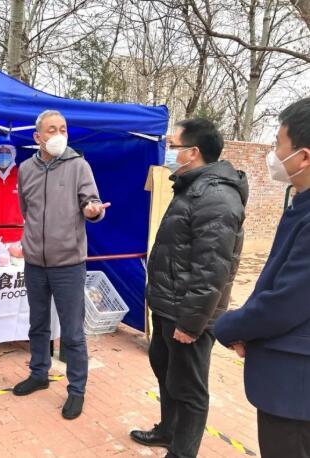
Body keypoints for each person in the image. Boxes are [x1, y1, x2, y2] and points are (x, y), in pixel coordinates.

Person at [130, 119, 248, 458]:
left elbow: (212, 269)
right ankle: (168, 431)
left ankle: (182, 452)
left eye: (174, 146)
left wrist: (191, 323)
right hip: (169, 305)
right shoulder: (191, 187)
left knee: (190, 389)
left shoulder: (217, 197)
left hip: (189, 315)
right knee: (167, 373)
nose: (169, 152)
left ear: (193, 152)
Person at [214, 98, 310, 458]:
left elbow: (287, 301)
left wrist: (229, 326)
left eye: (277, 144)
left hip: (295, 390)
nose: (273, 154)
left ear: (303, 156)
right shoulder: (300, 203)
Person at [12, 110, 109, 420]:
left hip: (68, 263)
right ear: (37, 137)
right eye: (51, 129)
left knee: (73, 332)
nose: (58, 134)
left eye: (63, 129)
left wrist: (93, 211)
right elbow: (25, 210)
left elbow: (92, 204)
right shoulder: (26, 169)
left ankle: (76, 389)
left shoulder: (79, 165)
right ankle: (38, 373)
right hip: (35, 263)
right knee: (37, 325)